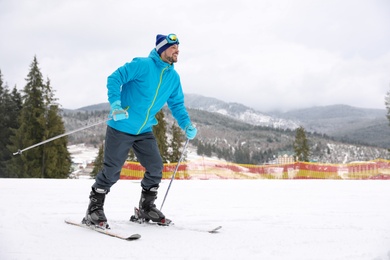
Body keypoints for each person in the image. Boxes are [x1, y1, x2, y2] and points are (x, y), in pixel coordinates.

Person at [82, 33, 197, 228]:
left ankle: (146, 207)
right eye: (173, 47)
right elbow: (114, 78)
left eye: (178, 47)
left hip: (144, 130)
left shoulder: (173, 77)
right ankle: (94, 209)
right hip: (121, 126)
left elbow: (176, 104)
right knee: (111, 171)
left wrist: (186, 124)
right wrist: (116, 105)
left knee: (155, 167)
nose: (177, 50)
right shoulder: (142, 65)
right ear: (162, 49)